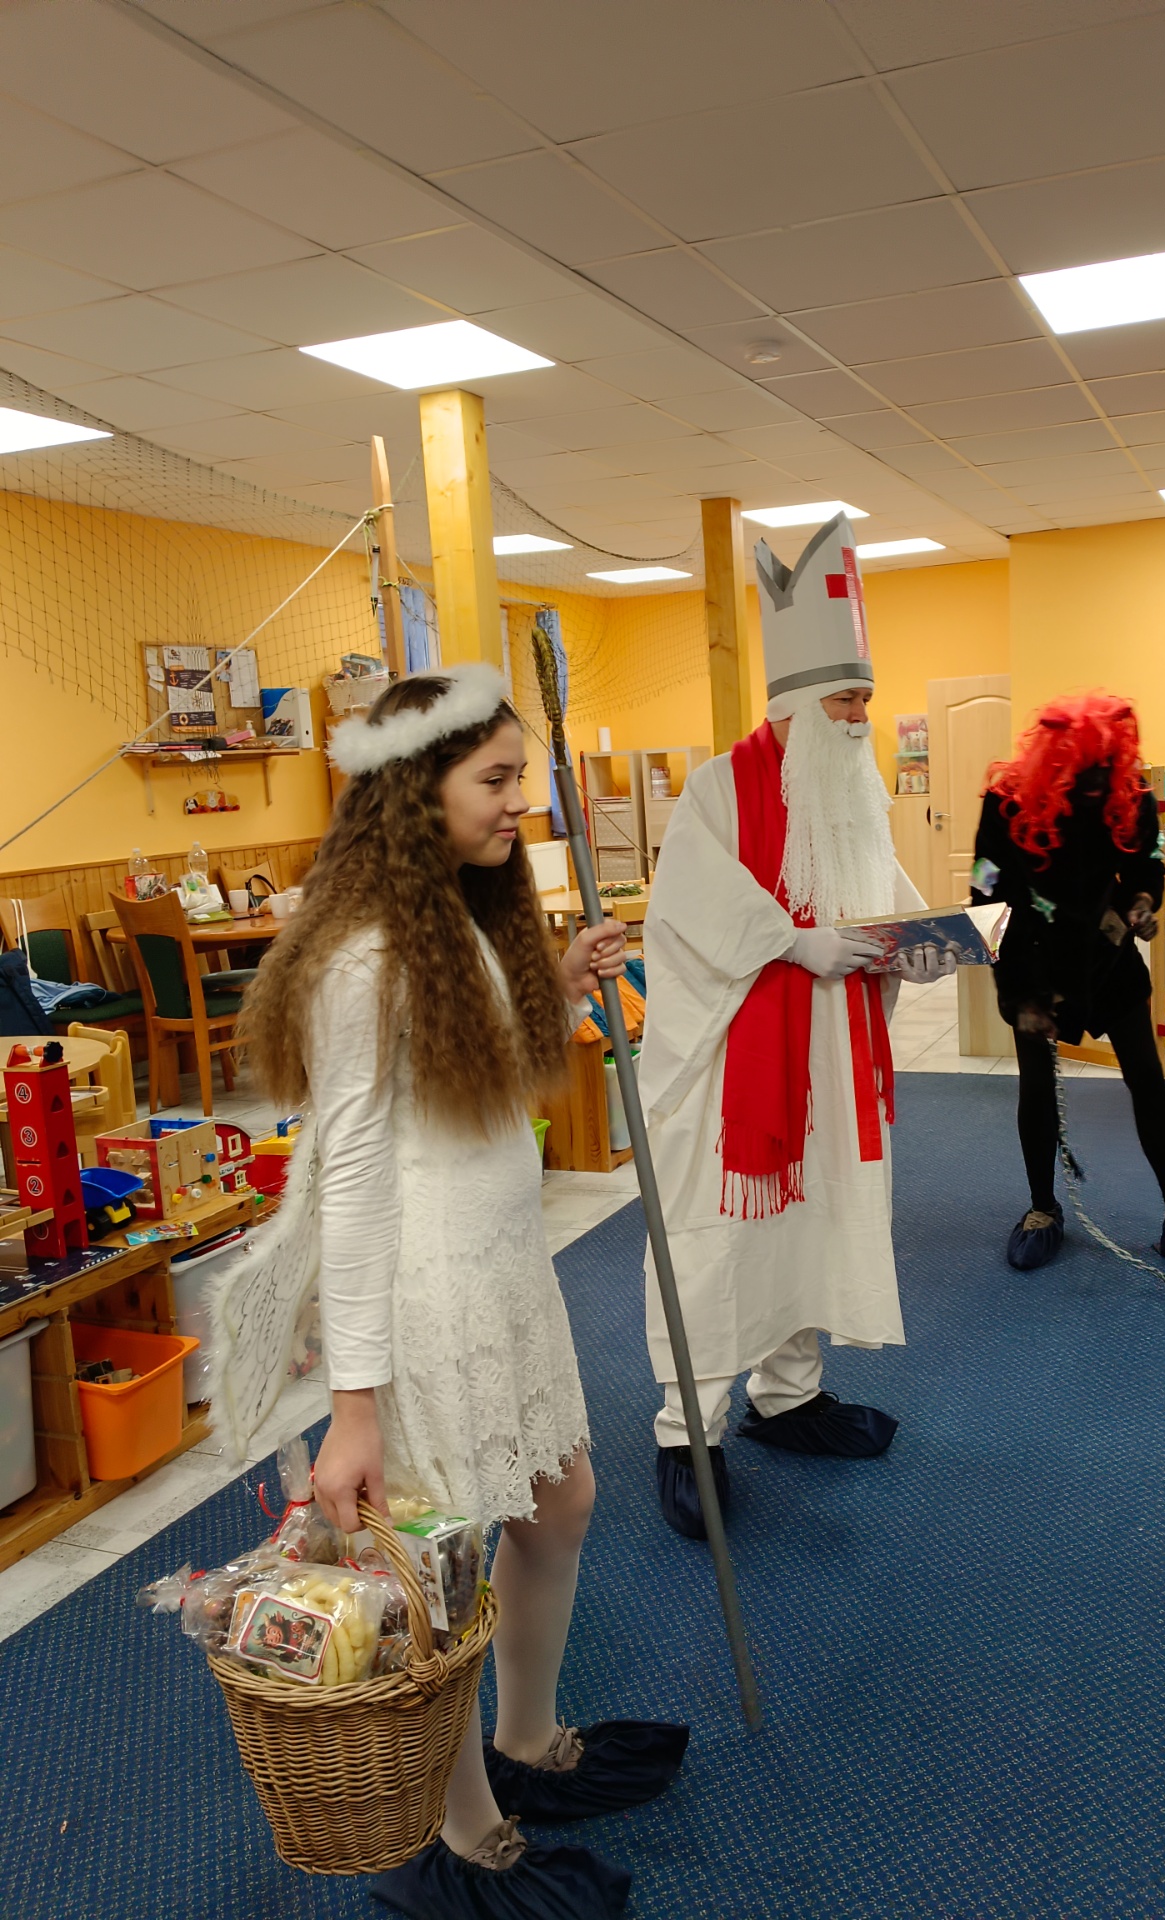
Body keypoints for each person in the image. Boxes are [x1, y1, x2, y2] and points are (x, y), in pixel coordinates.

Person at [237, 665, 683, 1920]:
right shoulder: (363, 958)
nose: (519, 803)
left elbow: (481, 1083)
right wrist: (356, 1407)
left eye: (519, 777)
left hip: (504, 1277)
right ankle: (465, 1825)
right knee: (444, 1575)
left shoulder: (459, 918)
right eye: (494, 780)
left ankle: (526, 1738)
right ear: (412, 789)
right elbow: (354, 1180)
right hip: (427, 1299)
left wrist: (561, 980)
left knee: (559, 1503)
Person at [639, 512, 955, 1539]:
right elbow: (687, 912)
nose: (863, 717)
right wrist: (789, 941)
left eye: (865, 696)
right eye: (845, 700)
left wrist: (917, 946)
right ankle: (688, 1431)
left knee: (812, 1225)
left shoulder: (851, 791)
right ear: (795, 705)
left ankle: (789, 1396)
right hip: (739, 1074)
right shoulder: (718, 790)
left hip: (835, 1059)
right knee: (720, 1246)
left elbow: (883, 899)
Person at [971, 691, 1165, 1272]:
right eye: (1084, 771)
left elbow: (1147, 866)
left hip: (1108, 959)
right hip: (1034, 963)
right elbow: (985, 889)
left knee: (1147, 1078)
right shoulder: (1005, 802)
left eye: (1106, 769)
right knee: (1036, 1085)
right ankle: (1042, 1209)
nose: (1097, 782)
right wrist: (1017, 991)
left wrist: (1141, 902)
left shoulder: (1130, 795)